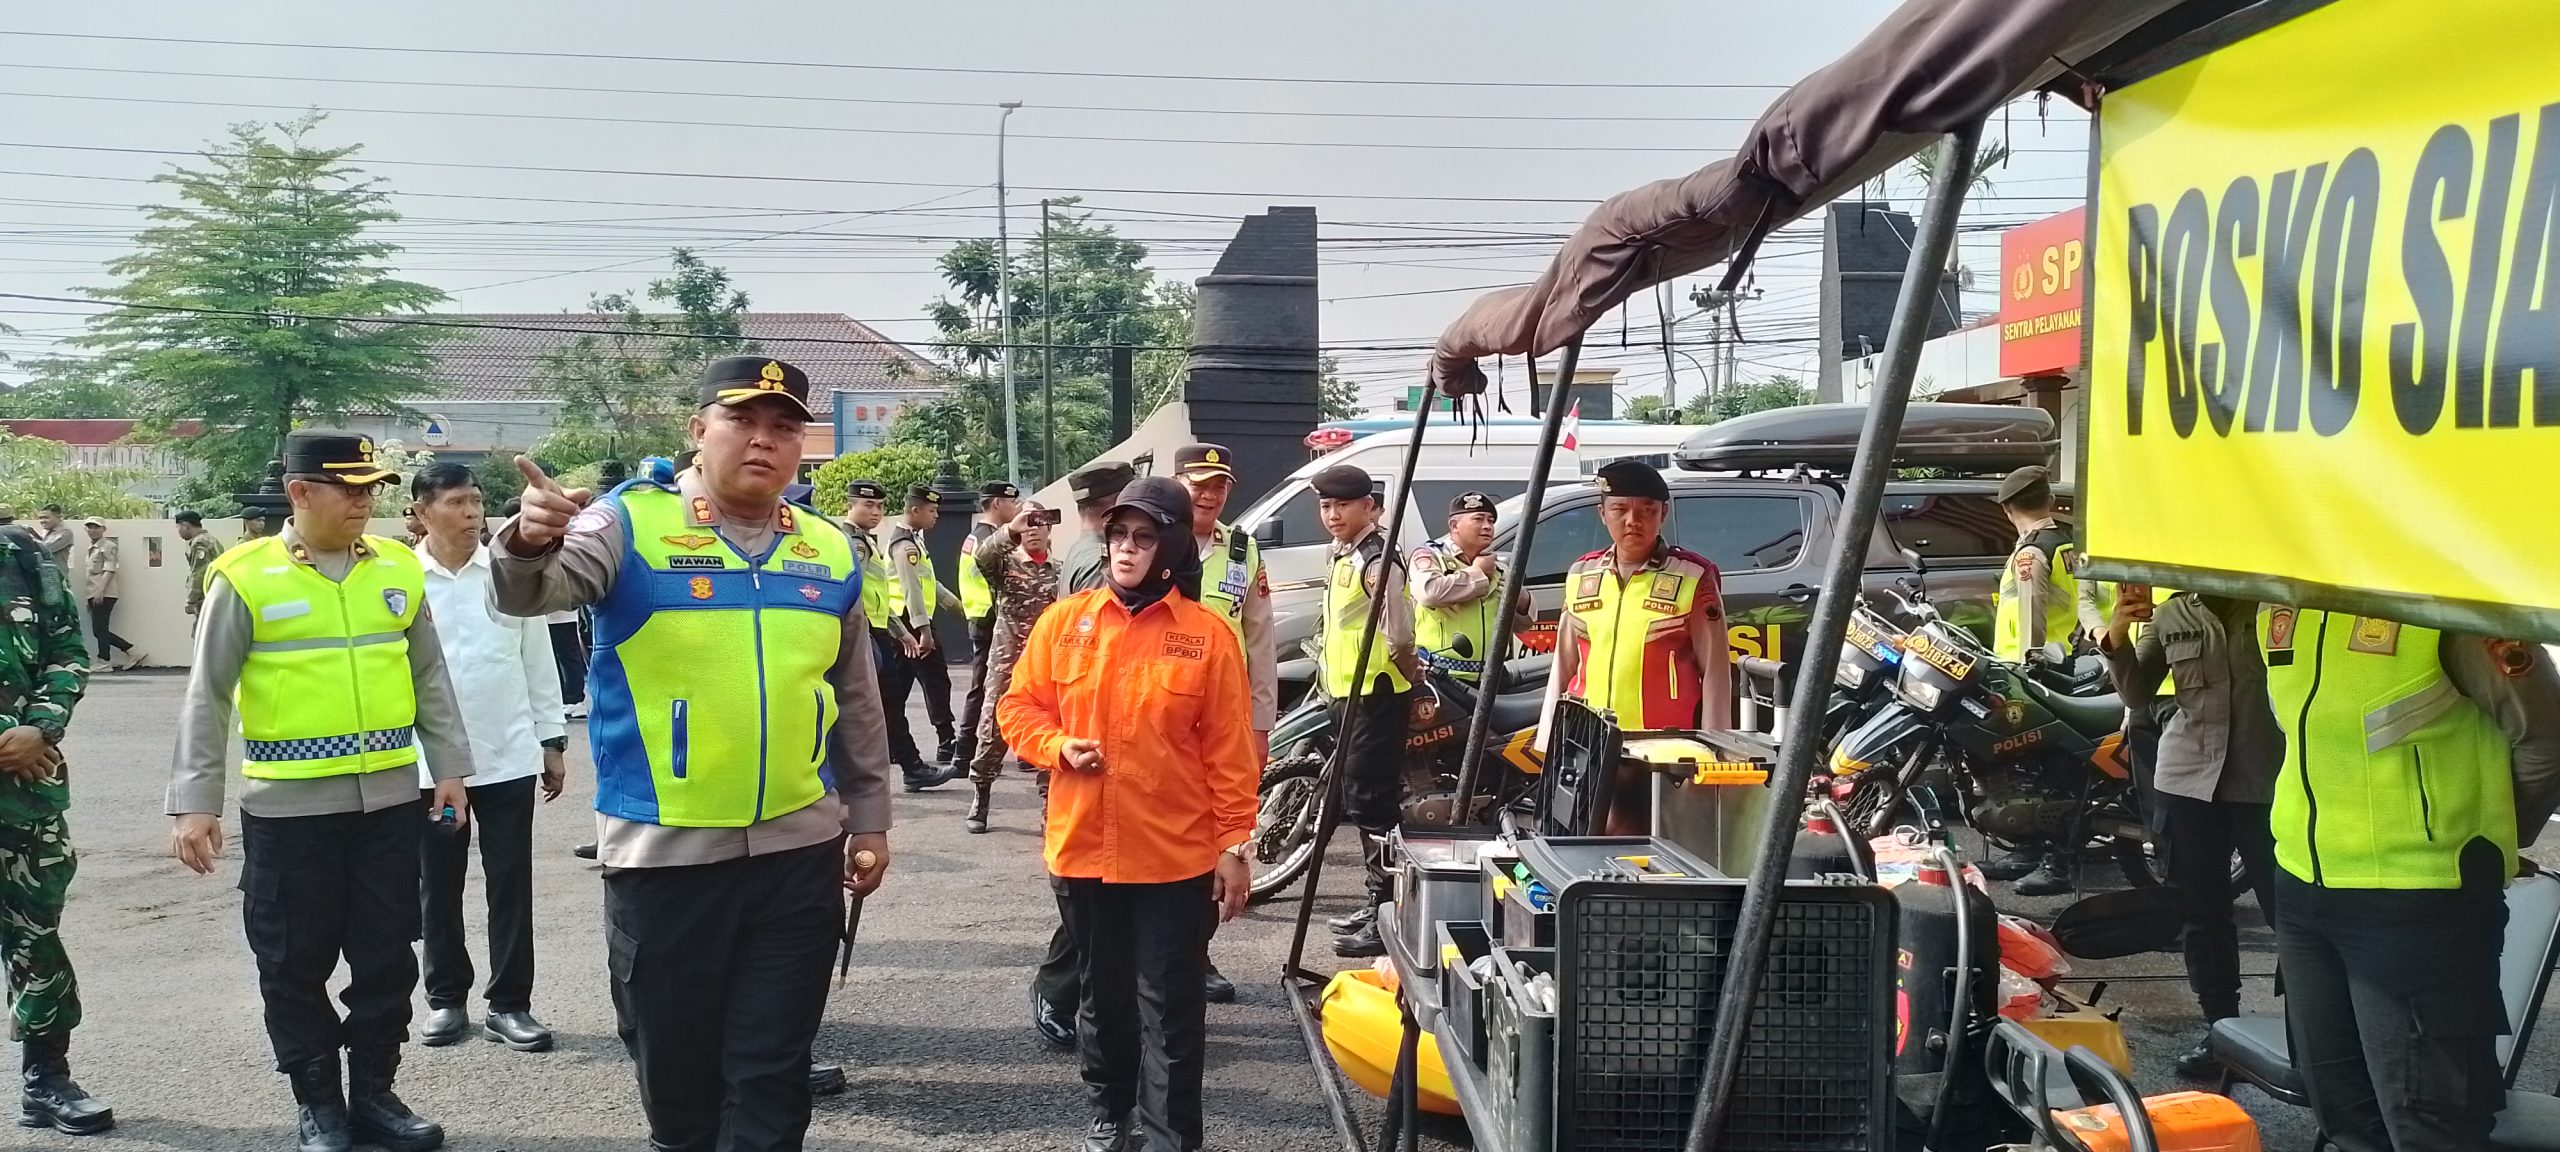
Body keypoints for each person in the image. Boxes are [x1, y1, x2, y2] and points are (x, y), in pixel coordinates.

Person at [493, 357, 895, 1152]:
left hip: (798, 851)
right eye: (743, 420)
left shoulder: (828, 549)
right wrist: (528, 538)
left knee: (772, 1072)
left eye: (784, 427)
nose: (764, 441)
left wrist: (871, 819)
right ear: (698, 429)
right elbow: (530, 591)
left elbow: (856, 699)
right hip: (664, 857)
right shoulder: (628, 523)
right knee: (678, 1082)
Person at [167, 430, 474, 1152]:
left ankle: (374, 1094)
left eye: (371, 489)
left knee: (386, 960)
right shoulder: (243, 576)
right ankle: (318, 1103)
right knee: (292, 964)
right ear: (300, 492)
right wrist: (195, 802)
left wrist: (451, 769)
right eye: (350, 488)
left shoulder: (398, 567)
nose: (364, 501)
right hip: (289, 811)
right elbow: (206, 696)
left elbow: (429, 675)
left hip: (391, 804)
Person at [997, 476, 1255, 1152]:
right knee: (1101, 996)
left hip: (1174, 856)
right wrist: (1057, 747)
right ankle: (1110, 1110)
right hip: (1083, 850)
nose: (1127, 549)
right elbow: (1016, 709)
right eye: (1118, 535)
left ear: (1169, 546)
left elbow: (1230, 751)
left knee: (1171, 1008)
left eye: (1144, 537)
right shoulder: (1065, 623)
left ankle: (1174, 1137)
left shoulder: (1207, 638)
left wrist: (1235, 843)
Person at [2258, 608, 2560, 1152]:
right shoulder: (2279, 606)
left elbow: (2548, 736)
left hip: (2420, 896)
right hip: (2302, 884)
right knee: (2342, 1112)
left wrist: (2492, 831)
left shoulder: (2445, 607)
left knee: (2431, 1123)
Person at [407, 464, 566, 1055]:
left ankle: (510, 1004)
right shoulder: (401, 578)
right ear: (422, 512)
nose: (472, 513)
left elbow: (535, 658)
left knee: (510, 881)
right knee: (436, 885)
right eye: (456, 503)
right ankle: (446, 999)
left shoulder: (503, 575)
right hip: (430, 766)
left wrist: (550, 739)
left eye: (476, 502)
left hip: (505, 757)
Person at [2098, 584, 2280, 1078]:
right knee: (2200, 912)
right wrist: (2117, 633)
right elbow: (2136, 692)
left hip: (2267, 780)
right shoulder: (2173, 610)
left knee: (2291, 915)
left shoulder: (2278, 604)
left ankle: (2307, 1032)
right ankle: (2222, 1032)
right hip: (2187, 779)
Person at [0, 505, 109, 1135]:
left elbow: (68, 648)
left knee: (35, 932)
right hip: (16, 761)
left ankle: (47, 1079)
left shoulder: (20, 554)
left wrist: (41, 727)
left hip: (24, 790)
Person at [1552, 459, 1731, 839]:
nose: (1633, 520)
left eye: (1646, 511)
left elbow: (1715, 669)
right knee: (1579, 836)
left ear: (1663, 514)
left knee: (1632, 840)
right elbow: (1565, 662)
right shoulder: (1582, 574)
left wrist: (1716, 747)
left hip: (1658, 744)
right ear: (1602, 514)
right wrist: (1550, 736)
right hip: (1588, 739)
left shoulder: (1692, 576)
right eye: (1620, 509)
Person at [1309, 463, 1418, 960]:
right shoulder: (1345, 553)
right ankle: (1377, 902)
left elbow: (1400, 632)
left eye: (1342, 505)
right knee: (1359, 799)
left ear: (1369, 507)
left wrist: (1407, 668)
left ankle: (1388, 909)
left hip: (1376, 692)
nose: (1332, 515)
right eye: (1326, 506)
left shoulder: (1375, 558)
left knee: (1372, 804)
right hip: (1346, 691)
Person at [1988, 464, 2092, 895]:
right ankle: (2029, 851)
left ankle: (2057, 862)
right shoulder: (2069, 541)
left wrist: (2028, 661)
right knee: (2030, 767)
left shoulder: (2031, 552)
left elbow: (2031, 611)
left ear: (2009, 508)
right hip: (2069, 661)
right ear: (2049, 500)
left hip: (2033, 669)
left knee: (2049, 768)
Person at [844, 480, 957, 792]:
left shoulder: (868, 542)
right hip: (863, 635)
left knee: (889, 701)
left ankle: (908, 764)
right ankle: (911, 765)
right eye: (868, 505)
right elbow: (852, 593)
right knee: (886, 703)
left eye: (880, 506)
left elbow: (876, 595)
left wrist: (902, 632)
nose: (875, 511)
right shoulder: (854, 544)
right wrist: (916, 629)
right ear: (848, 506)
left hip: (881, 632)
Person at [965, 500, 1059, 835]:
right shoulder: (1004, 565)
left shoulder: (1059, 571)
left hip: (1046, 667)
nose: (1033, 529)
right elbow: (981, 557)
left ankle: (1050, 804)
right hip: (1007, 661)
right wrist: (1010, 529)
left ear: (1050, 528)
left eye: (1040, 521)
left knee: (1051, 730)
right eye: (1027, 522)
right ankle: (981, 793)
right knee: (992, 731)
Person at [883, 484, 961, 776]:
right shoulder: (905, 545)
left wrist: (954, 605)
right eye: (931, 510)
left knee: (898, 688)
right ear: (915, 510)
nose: (936, 515)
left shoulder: (915, 540)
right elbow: (911, 589)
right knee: (936, 682)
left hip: (909, 623)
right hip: (913, 622)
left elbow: (928, 582)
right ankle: (946, 741)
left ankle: (892, 744)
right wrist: (922, 630)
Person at [1411, 491, 1524, 684]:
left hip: (1493, 679)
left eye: (1490, 520)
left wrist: (1521, 598)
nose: (1487, 526)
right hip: (1442, 676)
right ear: (1454, 526)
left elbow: (1523, 624)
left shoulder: (1497, 567)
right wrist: (1478, 574)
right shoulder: (1431, 557)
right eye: (1478, 519)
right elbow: (1429, 592)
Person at [954, 480, 1021, 777]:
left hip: (979, 616)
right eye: (1011, 502)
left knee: (982, 688)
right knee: (984, 690)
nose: (1015, 507)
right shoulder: (989, 541)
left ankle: (964, 750)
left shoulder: (975, 536)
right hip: (990, 618)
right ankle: (964, 752)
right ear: (997, 504)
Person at [78, 519, 141, 672]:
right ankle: (131, 651)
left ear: (103, 529)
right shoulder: (92, 548)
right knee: (99, 630)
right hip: (95, 592)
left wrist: (100, 590)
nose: (92, 530)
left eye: (96, 527)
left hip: (104, 593)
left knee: (100, 629)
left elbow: (110, 569)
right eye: (89, 527)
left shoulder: (108, 546)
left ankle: (104, 660)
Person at [176, 510, 222, 621]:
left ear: (186, 525)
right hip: (216, 593)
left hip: (206, 597)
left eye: (178, 527)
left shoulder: (200, 543)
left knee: (201, 633)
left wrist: (191, 599)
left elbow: (199, 572)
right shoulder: (211, 539)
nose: (178, 532)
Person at [28, 507, 71, 578]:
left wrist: (29, 537)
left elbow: (45, 548)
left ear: (58, 517)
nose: (42, 521)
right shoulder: (46, 531)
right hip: (46, 575)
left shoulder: (65, 532)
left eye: (46, 518)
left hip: (57, 576)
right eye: (40, 518)